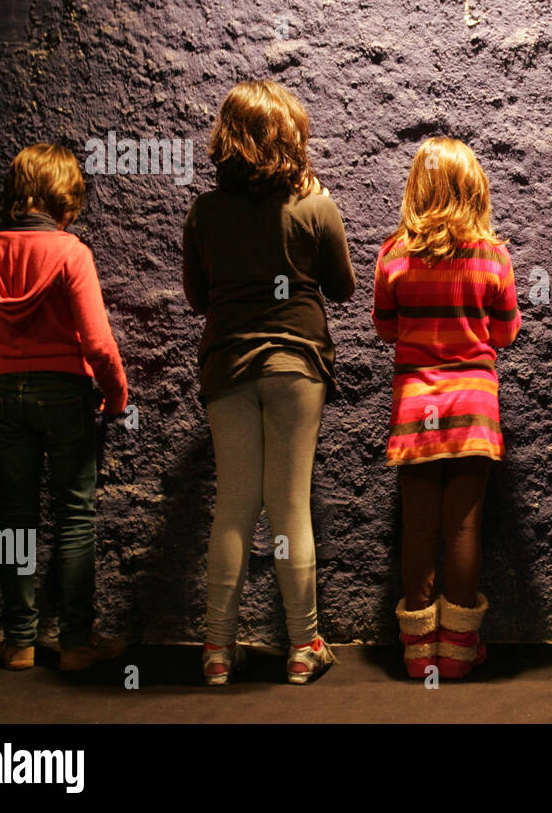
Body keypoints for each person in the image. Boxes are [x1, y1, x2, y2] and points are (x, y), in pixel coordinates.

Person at [183, 80, 355, 685]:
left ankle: (216, 652)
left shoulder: (204, 212)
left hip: (227, 363)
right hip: (296, 363)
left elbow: (198, 297)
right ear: (288, 137)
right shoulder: (314, 207)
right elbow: (342, 288)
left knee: (233, 504)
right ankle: (304, 646)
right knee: (289, 505)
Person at [0, 143, 130, 671]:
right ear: (64, 196)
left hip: (7, 395)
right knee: (75, 516)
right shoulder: (70, 253)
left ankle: (19, 642)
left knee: (16, 517)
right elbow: (98, 343)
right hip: (65, 394)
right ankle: (76, 644)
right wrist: (117, 395)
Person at [372, 136, 520, 680]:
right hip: (474, 408)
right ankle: (458, 650)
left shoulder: (393, 255)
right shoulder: (493, 256)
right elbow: (504, 334)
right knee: (463, 527)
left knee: (418, 527)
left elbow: (385, 328)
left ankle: (417, 651)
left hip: (415, 408)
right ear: (472, 189)